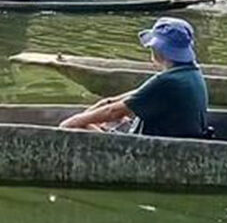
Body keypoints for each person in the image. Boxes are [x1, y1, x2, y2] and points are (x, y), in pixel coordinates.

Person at [60, 17, 210, 138]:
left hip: (157, 147)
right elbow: (113, 102)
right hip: (177, 138)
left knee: (81, 126)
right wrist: (93, 112)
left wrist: (71, 122)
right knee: (93, 121)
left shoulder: (167, 81)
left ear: (158, 49)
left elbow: (113, 111)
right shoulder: (191, 72)